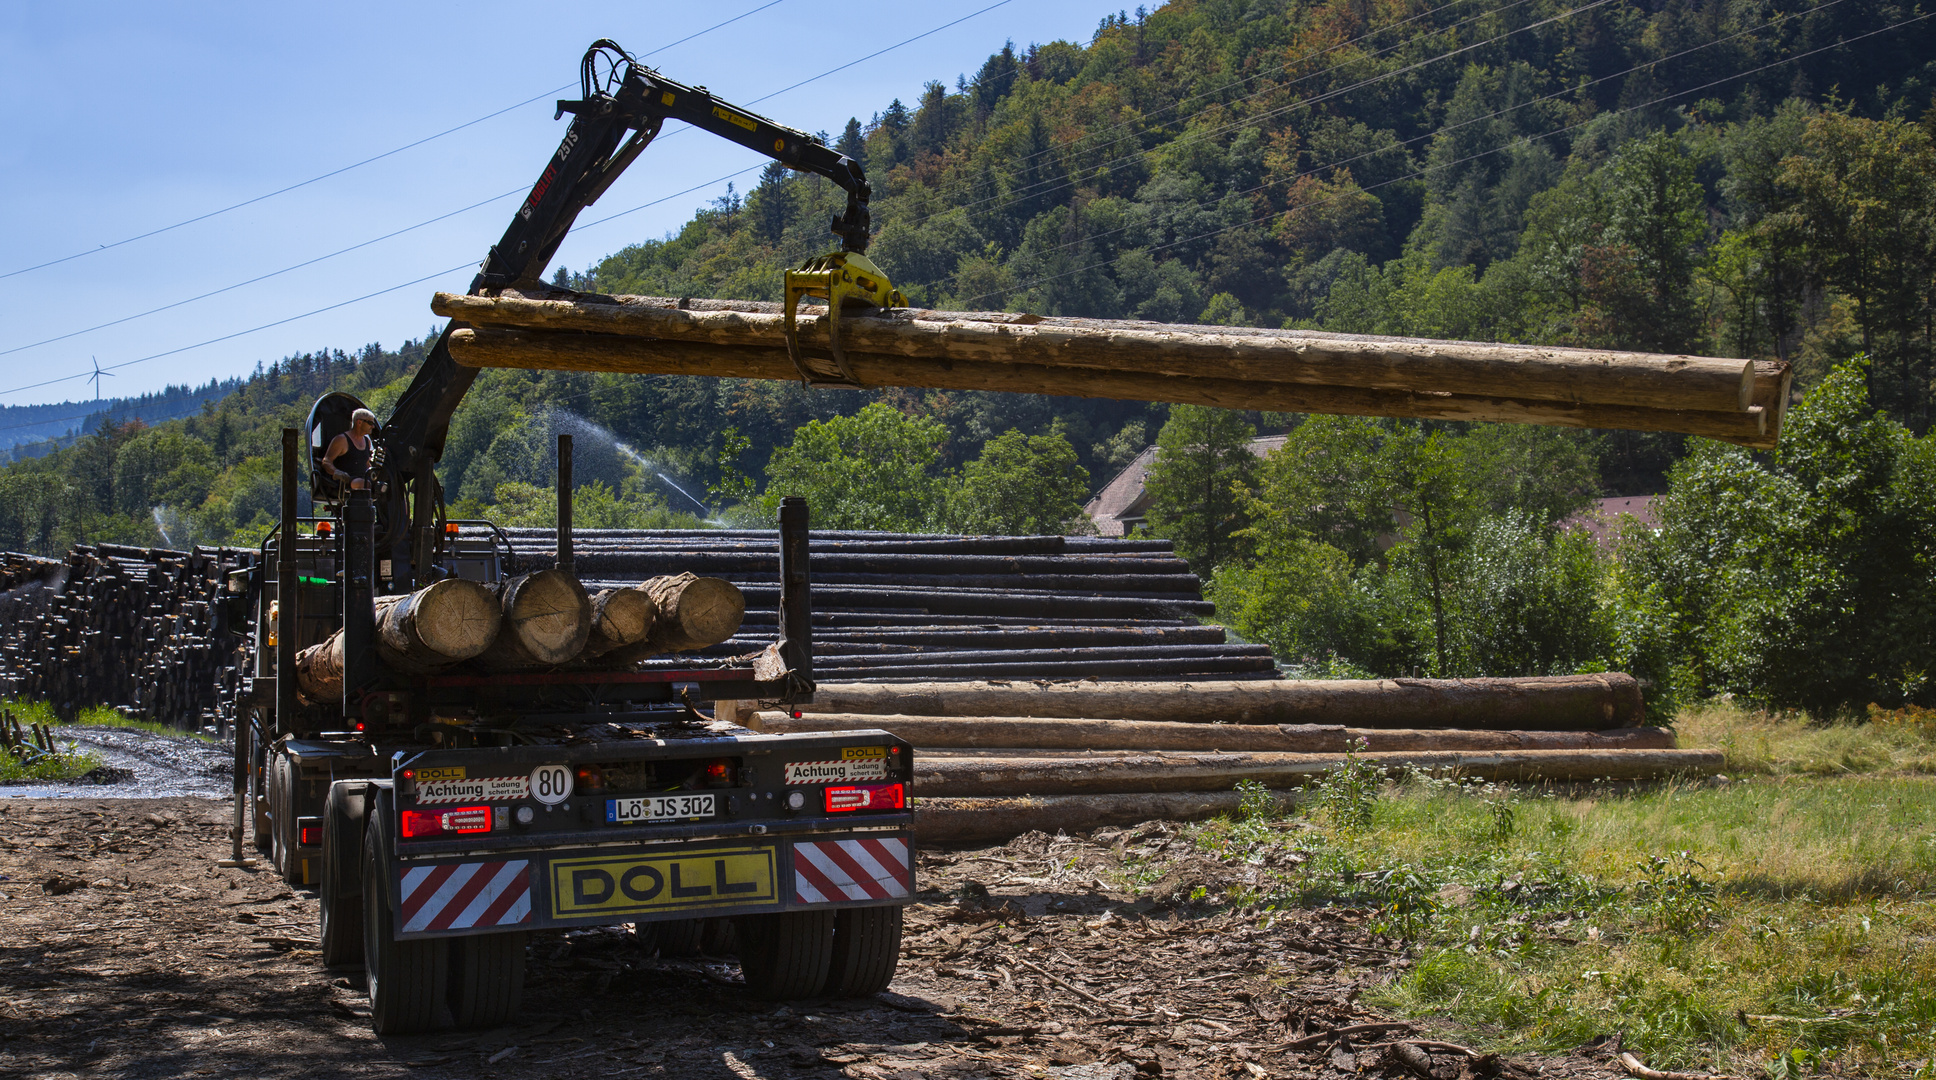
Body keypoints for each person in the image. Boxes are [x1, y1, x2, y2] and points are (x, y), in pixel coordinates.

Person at [323, 408, 378, 492]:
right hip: (345, 481)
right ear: (359, 422)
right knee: (364, 484)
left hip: (363, 479)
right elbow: (326, 461)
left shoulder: (367, 441)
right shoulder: (341, 440)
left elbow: (366, 463)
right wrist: (337, 472)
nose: (373, 426)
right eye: (370, 423)